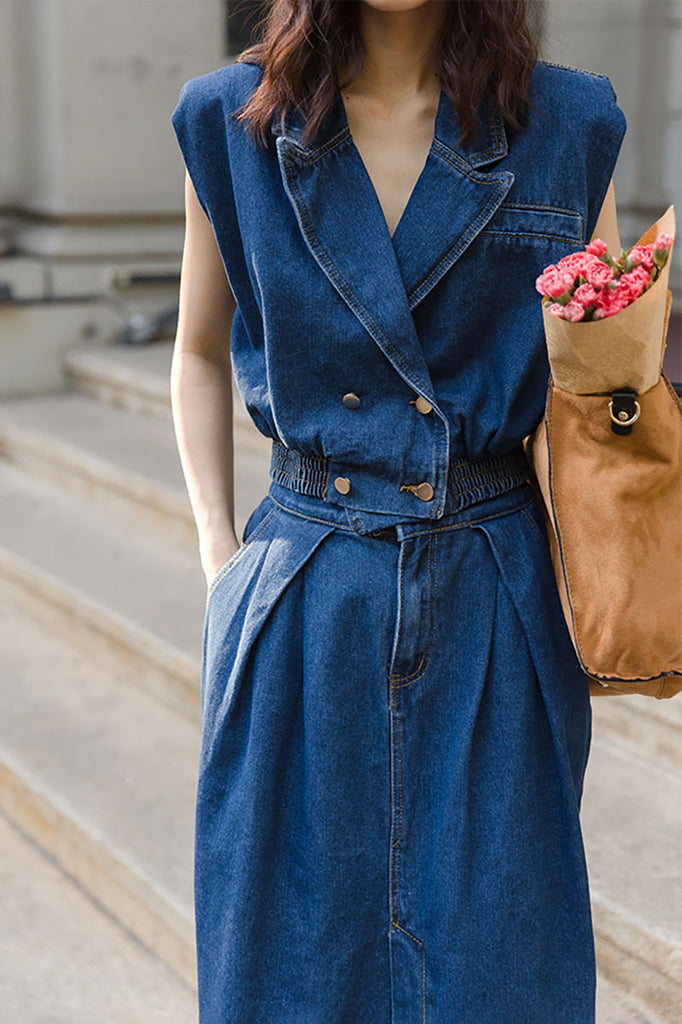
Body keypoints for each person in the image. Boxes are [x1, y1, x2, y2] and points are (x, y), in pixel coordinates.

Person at [170, 1, 627, 1020]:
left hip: (494, 587)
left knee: (503, 970)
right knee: (288, 969)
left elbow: (590, 397)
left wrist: (604, 574)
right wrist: (218, 558)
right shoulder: (232, 121)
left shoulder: (563, 126)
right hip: (304, 585)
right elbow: (199, 351)